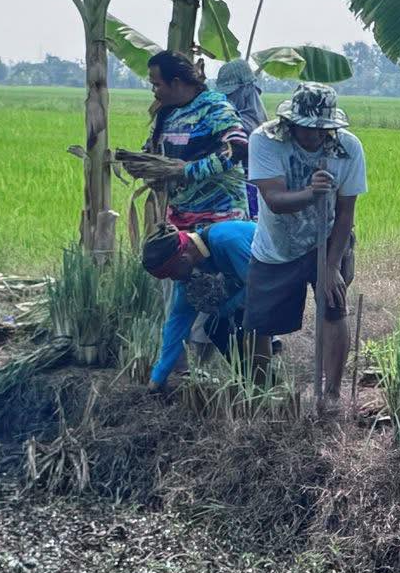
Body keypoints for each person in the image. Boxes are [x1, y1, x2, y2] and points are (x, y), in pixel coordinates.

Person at [244, 84, 366, 403]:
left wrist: (330, 266)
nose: (315, 136)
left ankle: (331, 393)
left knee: (334, 307)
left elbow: (345, 214)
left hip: (325, 241)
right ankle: (261, 392)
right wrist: (311, 194)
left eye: (322, 129)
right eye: (307, 128)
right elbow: (273, 200)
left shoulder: (348, 148)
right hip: (276, 243)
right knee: (260, 321)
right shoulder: (265, 140)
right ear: (291, 122)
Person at [138, 50, 248, 231]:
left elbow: (238, 147)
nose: (154, 91)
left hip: (221, 218)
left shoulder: (214, 107)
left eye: (156, 85)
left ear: (176, 83)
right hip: (179, 220)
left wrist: (187, 170)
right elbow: (153, 149)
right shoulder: (166, 114)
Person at [142, 221, 254, 389]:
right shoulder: (197, 261)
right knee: (215, 326)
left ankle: (263, 386)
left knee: (237, 322)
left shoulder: (225, 241)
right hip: (259, 284)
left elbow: (257, 287)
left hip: (284, 272)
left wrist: (226, 309)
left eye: (172, 274)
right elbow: (179, 319)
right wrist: (159, 375)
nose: (173, 279)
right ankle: (253, 383)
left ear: (183, 259)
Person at [214, 58, 268, 219]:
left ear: (246, 89)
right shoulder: (255, 119)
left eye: (231, 94)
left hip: (245, 193)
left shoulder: (242, 123)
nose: (227, 99)